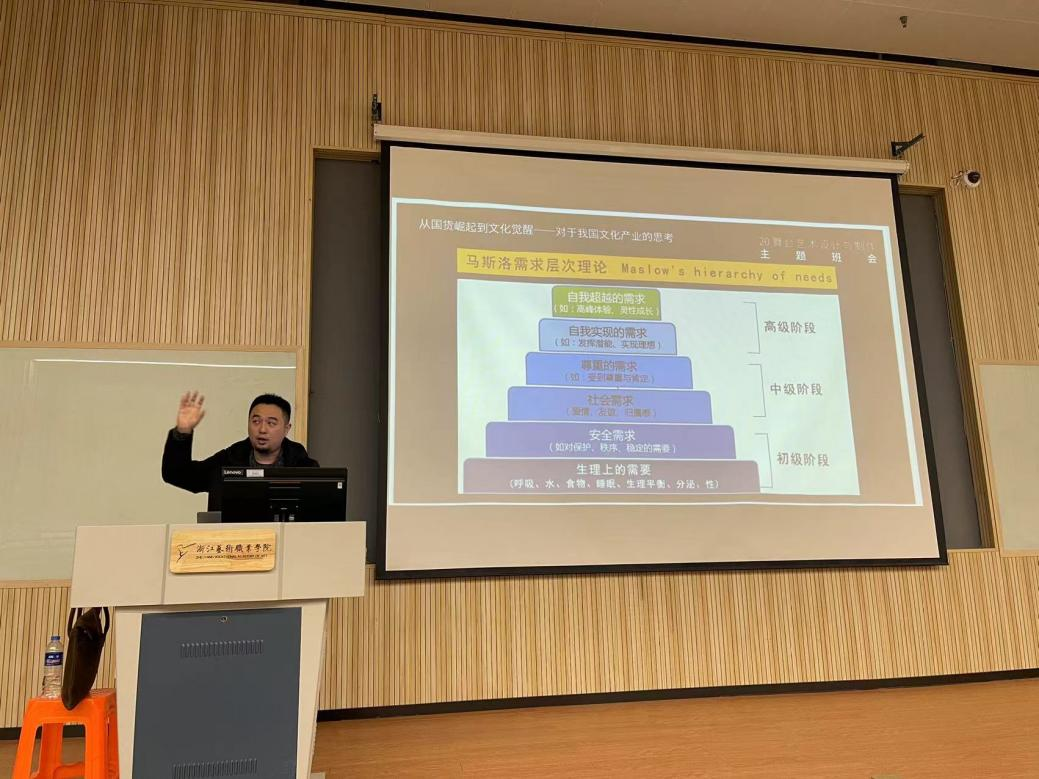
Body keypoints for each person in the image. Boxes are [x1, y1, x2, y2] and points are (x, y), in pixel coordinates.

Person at [161, 391, 319, 509]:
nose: (262, 429)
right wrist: (182, 432)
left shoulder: (304, 468)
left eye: (271, 423)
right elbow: (177, 474)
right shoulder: (229, 460)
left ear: (286, 429)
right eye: (256, 421)